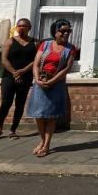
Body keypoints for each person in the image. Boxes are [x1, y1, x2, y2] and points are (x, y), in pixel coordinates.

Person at [26, 19, 76, 157]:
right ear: (55, 32)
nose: (66, 34)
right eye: (63, 31)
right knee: (39, 115)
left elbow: (66, 69)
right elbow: (36, 63)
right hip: (40, 82)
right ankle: (41, 141)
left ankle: (47, 145)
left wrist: (53, 81)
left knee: (51, 116)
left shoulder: (70, 49)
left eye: (68, 31)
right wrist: (37, 79)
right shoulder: (45, 44)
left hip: (56, 84)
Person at [0, 18, 37, 140]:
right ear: (16, 27)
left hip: (26, 76)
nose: (21, 28)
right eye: (19, 26)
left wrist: (23, 71)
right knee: (6, 102)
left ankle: (13, 130)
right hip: (9, 77)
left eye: (24, 26)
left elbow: (36, 60)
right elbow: (4, 59)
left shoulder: (34, 43)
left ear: (29, 28)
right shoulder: (10, 41)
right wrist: (14, 73)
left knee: (20, 104)